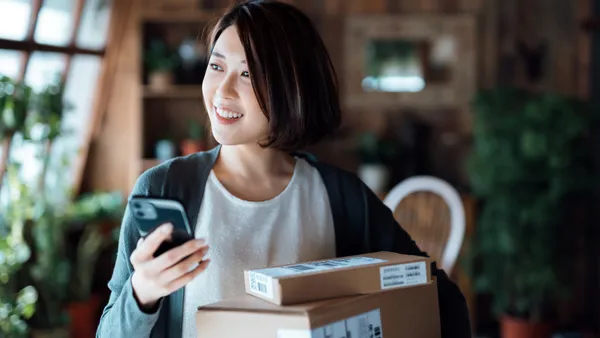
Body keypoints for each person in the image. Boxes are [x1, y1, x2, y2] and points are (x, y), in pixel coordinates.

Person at [96, 1, 471, 337]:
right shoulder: (164, 187)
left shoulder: (341, 196)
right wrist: (141, 293)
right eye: (216, 65)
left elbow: (442, 303)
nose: (223, 90)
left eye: (248, 74)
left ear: (292, 88)